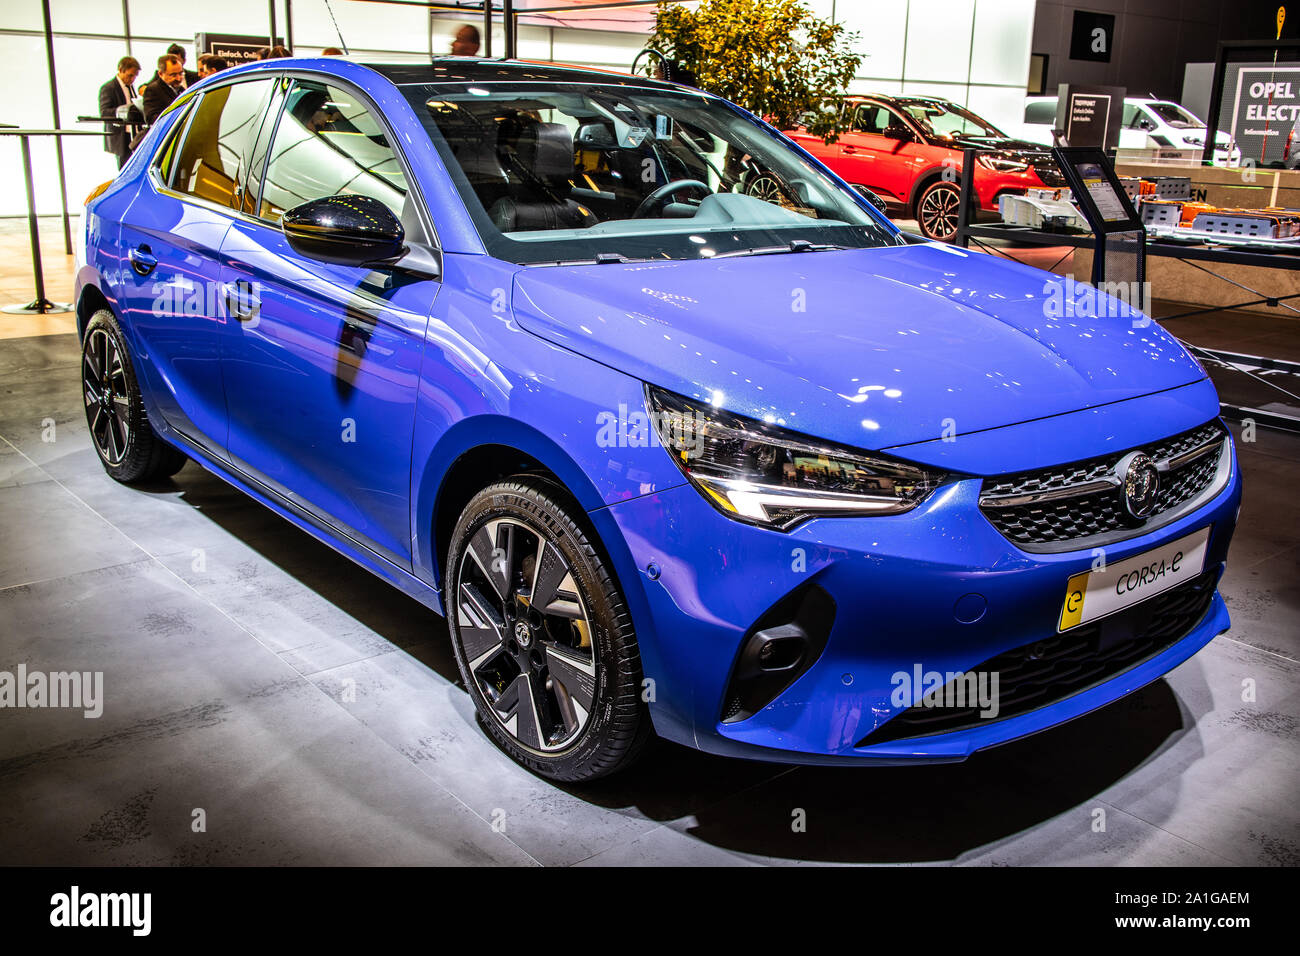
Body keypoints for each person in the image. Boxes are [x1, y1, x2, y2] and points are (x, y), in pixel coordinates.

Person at [97, 55, 141, 168]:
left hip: (133, 133)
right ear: (121, 70)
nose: (132, 79)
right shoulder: (108, 88)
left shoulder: (130, 87)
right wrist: (123, 111)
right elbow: (104, 112)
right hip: (121, 135)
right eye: (130, 75)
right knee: (124, 167)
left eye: (135, 76)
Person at [142, 54, 185, 124]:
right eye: (173, 75)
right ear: (160, 74)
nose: (179, 78)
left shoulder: (182, 90)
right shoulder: (153, 90)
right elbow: (151, 117)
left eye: (180, 73)